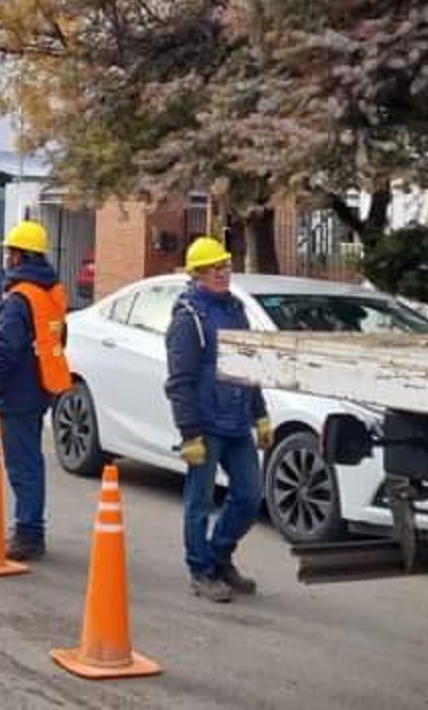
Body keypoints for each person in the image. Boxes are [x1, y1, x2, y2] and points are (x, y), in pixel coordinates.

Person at [163, 237, 270, 604]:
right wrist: (189, 433)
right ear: (197, 275)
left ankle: (220, 555)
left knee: (249, 495)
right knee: (199, 502)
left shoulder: (236, 310)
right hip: (206, 426)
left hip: (238, 420)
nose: (222, 273)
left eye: (225, 266)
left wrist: (261, 414)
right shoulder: (188, 319)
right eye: (213, 268)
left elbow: (246, 365)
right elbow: (180, 381)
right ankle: (202, 571)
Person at [0, 219, 71, 561]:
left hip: (19, 392)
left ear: (19, 256)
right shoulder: (51, 292)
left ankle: (29, 534)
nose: (6, 257)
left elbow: (6, 351)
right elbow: (59, 337)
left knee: (23, 466)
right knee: (31, 462)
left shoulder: (18, 298)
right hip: (42, 386)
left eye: (10, 252)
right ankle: (30, 529)